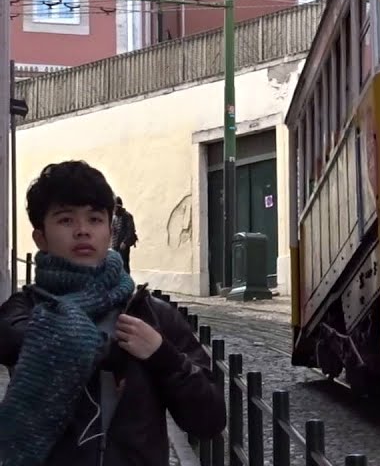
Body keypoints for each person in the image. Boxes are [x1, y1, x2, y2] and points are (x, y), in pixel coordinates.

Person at [0, 161, 226, 466]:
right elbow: (11, 337)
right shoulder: (24, 310)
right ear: (40, 237)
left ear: (109, 231)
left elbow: (209, 420)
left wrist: (162, 355)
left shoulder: (152, 315)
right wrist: (105, 348)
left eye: (95, 219)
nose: (82, 231)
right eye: (66, 220)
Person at [110, 196, 138, 274]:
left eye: (115, 207)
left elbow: (130, 230)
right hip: (114, 245)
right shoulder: (114, 217)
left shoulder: (127, 216)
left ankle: (126, 284)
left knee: (124, 265)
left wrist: (125, 242)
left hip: (123, 246)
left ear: (119, 206)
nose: (114, 209)